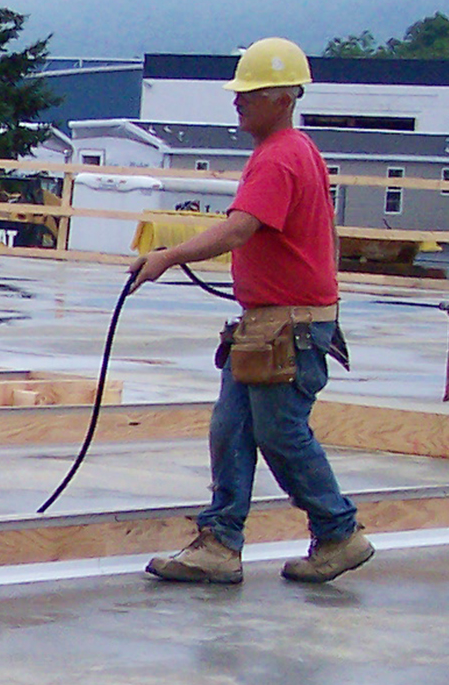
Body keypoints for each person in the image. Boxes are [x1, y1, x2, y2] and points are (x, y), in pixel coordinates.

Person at [129, 37, 372, 587]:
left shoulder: (281, 156)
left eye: (251, 94)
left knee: (281, 432)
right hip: (273, 321)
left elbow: (240, 227)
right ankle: (219, 543)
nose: (238, 102)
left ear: (283, 98)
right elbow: (324, 234)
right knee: (232, 428)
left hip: (289, 325)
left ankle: (338, 531)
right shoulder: (296, 151)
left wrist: (166, 256)